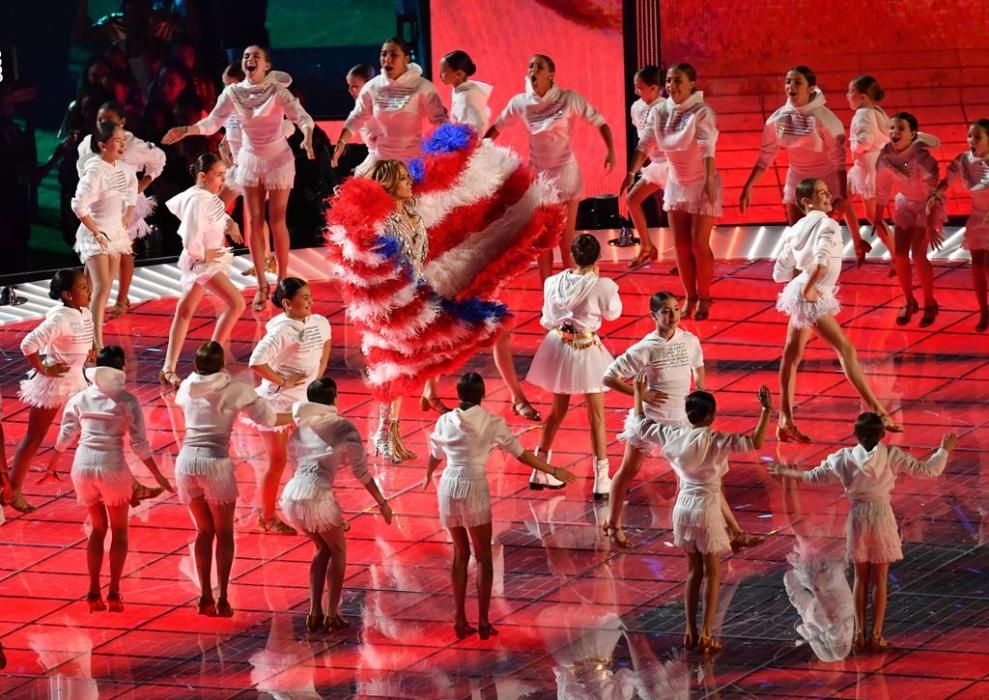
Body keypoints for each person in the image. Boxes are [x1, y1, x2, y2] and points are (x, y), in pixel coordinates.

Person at [770, 414, 956, 652]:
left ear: (856, 435)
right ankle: (876, 635)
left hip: (858, 518)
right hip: (881, 517)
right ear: (882, 434)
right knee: (879, 579)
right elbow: (928, 471)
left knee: (861, 578)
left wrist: (786, 473)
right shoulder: (891, 455)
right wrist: (943, 450)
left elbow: (813, 476)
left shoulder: (844, 458)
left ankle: (859, 634)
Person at [162, 45, 316, 311]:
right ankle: (261, 286)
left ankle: (281, 282)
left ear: (267, 65)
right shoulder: (232, 92)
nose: (250, 60)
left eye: (256, 56)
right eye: (246, 56)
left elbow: (301, 117)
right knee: (255, 220)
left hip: (278, 159)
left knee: (277, 219)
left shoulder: (278, 91)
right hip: (249, 161)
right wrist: (186, 130)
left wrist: (308, 136)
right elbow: (212, 122)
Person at [424, 372, 575, 639]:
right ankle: (483, 621)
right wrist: (552, 469)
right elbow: (522, 455)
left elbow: (435, 455)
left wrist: (427, 476)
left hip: (448, 486)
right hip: (474, 486)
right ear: (482, 396)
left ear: (458, 395)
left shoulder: (444, 420)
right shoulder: (492, 422)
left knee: (460, 555)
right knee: (484, 558)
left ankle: (460, 619)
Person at [626, 379, 772, 653]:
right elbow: (756, 441)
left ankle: (690, 632)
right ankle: (706, 633)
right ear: (712, 416)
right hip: (706, 509)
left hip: (683, 509)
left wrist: (637, 393)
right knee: (713, 573)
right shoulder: (717, 440)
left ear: (688, 415)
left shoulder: (672, 435)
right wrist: (766, 412)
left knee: (694, 572)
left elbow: (639, 423)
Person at [773, 178, 902, 442]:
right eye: (821, 193)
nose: (827, 195)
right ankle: (878, 410)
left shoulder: (794, 229)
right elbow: (821, 262)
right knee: (846, 349)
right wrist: (809, 286)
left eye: (826, 190)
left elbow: (780, 273)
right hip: (811, 295)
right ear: (806, 201)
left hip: (802, 291)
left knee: (792, 354)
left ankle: (785, 420)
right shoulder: (827, 223)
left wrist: (803, 281)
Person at [50, 346, 173, 613]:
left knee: (97, 529)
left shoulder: (81, 398)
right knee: (119, 531)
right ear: (121, 368)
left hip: (82, 467)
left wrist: (53, 462)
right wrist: (159, 475)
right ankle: (114, 592)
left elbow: (66, 432)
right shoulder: (128, 400)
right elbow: (140, 444)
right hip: (112, 468)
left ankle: (93, 590)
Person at [175, 341, 288, 617]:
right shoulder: (236, 390)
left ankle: (204, 595)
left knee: (204, 531)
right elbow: (270, 418)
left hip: (186, 463)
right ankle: (223, 596)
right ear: (222, 365)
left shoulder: (187, 387)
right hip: (215, 464)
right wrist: (303, 414)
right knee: (224, 533)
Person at [486, 53, 616, 280]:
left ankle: (573, 291)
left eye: (539, 67)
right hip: (540, 177)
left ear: (551, 74)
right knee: (542, 241)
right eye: (530, 67)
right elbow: (497, 127)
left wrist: (611, 151)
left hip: (566, 174)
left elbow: (600, 122)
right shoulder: (520, 102)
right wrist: (479, 148)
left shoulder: (568, 99)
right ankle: (549, 295)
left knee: (566, 242)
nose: (533, 70)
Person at [280, 377, 393, 633]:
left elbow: (293, 463)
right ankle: (331, 613)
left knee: (322, 548)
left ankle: (314, 612)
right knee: (338, 552)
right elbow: (362, 473)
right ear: (334, 399)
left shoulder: (299, 428)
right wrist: (382, 502)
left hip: (292, 494)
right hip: (317, 495)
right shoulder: (344, 427)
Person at [739, 65, 870, 263]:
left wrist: (842, 195)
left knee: (820, 245)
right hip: (797, 180)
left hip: (825, 182)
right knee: (798, 242)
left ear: (810, 88)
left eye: (797, 82)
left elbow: (839, 161)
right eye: (788, 81)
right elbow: (766, 156)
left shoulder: (823, 117)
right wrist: (748, 186)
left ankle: (819, 286)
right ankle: (800, 290)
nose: (791, 86)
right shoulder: (778, 118)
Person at [622, 64, 721, 319]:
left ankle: (705, 296)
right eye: (669, 81)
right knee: (680, 244)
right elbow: (645, 143)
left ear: (691, 84)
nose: (672, 86)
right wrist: (631, 172)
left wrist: (710, 179)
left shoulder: (701, 111)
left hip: (701, 180)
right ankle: (690, 295)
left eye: (678, 81)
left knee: (699, 244)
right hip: (677, 181)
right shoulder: (661, 111)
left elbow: (707, 146)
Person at [526, 234, 621, 498]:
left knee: (557, 411)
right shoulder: (603, 286)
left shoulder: (552, 282)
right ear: (598, 257)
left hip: (559, 347)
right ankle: (602, 479)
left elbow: (547, 319)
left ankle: (539, 469)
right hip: (586, 350)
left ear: (571, 255)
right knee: (597, 416)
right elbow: (613, 314)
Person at [4, 270, 94, 514]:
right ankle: (14, 490)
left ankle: (107, 485)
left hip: (77, 382)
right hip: (55, 384)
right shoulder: (59, 319)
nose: (89, 290)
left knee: (94, 434)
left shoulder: (84, 312)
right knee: (34, 438)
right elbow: (28, 344)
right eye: (83, 287)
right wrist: (43, 368)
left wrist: (91, 349)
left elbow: (86, 335)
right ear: (68, 294)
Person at [247, 278, 332, 533]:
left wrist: (318, 376)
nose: (310, 301)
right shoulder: (281, 330)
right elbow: (256, 362)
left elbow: (325, 345)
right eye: (304, 297)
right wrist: (283, 380)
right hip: (278, 405)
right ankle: (269, 517)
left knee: (315, 457)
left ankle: (315, 511)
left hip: (304, 402)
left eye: (310, 296)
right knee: (278, 461)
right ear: (287, 303)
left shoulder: (319, 322)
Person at [158, 153, 245, 389]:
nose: (222, 181)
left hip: (201, 260)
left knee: (185, 311)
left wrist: (231, 224)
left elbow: (215, 214)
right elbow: (190, 233)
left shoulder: (201, 196)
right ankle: (212, 360)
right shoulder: (199, 200)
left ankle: (168, 368)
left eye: (223, 176)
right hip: (203, 261)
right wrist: (202, 255)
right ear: (202, 176)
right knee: (236, 304)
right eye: (218, 175)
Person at [76, 100, 166, 318]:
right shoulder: (87, 143)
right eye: (100, 119)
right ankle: (87, 302)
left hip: (125, 205)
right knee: (93, 254)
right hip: (99, 207)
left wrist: (142, 184)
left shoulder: (133, 144)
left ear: (122, 122)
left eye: (109, 119)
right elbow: (83, 171)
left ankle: (121, 299)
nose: (104, 123)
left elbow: (158, 159)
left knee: (124, 251)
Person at [332, 37, 447, 175]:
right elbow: (357, 116)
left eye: (393, 54)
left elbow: (440, 120)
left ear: (406, 59)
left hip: (413, 164)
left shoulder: (422, 86)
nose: (387, 59)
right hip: (382, 164)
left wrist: (447, 149)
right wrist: (342, 142)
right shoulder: (372, 87)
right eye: (384, 54)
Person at [71, 121, 137, 350]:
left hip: (115, 233)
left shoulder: (123, 168)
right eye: (117, 141)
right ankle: (96, 342)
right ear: (102, 144)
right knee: (100, 288)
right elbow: (78, 205)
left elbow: (131, 190)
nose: (122, 145)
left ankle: (85, 332)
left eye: (123, 141)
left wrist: (128, 213)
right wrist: (96, 232)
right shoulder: (95, 171)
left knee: (97, 288)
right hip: (96, 234)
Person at [874, 112, 944, 326]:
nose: (894, 132)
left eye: (901, 128)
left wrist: (932, 225)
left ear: (913, 134)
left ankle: (930, 303)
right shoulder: (884, 157)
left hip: (927, 206)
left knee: (919, 254)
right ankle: (909, 301)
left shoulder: (923, 158)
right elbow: (882, 188)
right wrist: (877, 217)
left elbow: (935, 193)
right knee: (900, 255)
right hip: (905, 204)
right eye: (892, 128)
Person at [928, 118, 989, 331]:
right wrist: (936, 194)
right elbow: (948, 180)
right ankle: (984, 311)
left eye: (978, 136)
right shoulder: (963, 160)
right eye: (970, 135)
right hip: (978, 217)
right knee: (978, 267)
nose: (972, 140)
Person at [845, 75, 894, 263]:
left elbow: (866, 140)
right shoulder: (878, 112)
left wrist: (854, 144)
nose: (847, 96)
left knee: (872, 215)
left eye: (851, 92)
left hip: (866, 168)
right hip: (870, 166)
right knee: (843, 200)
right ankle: (859, 243)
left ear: (863, 96)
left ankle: (896, 255)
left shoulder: (862, 114)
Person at [622, 65, 666, 270]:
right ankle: (647, 246)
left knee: (676, 213)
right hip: (656, 165)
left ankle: (687, 258)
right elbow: (643, 141)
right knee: (632, 200)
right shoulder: (636, 107)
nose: (636, 91)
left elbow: (650, 141)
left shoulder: (665, 108)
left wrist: (632, 171)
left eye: (640, 87)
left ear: (654, 88)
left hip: (673, 165)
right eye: (635, 87)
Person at [438, 49, 492, 133]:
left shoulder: (466, 98)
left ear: (458, 74)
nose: (440, 75)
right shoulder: (460, 92)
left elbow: (474, 131)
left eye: (443, 72)